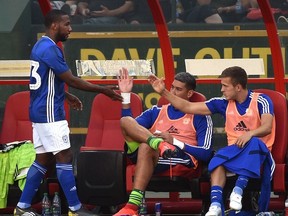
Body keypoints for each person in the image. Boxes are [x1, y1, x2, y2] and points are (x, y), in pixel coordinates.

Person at [14, 9, 122, 216]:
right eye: (67, 24)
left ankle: (22, 207)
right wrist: (104, 90)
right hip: (50, 114)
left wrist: (65, 95)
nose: (70, 28)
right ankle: (75, 208)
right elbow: (71, 79)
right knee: (65, 155)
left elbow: (48, 81)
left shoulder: (40, 45)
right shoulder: (51, 49)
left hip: (39, 111)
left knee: (43, 159)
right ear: (54, 25)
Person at [149, 66, 275, 215]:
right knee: (216, 159)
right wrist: (163, 92)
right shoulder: (222, 103)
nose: (222, 90)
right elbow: (188, 106)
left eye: (225, 86)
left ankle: (238, 190)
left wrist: (250, 134)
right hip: (234, 152)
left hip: (259, 152)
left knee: (254, 141)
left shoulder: (262, 100)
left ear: (238, 87)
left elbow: (267, 127)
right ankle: (215, 204)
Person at [113, 68, 213, 216]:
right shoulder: (156, 111)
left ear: (189, 93)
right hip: (154, 151)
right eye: (172, 87)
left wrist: (175, 141)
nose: (172, 92)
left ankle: (131, 207)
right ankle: (158, 144)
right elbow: (129, 128)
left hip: (176, 155)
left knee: (146, 146)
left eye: (178, 89)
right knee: (125, 121)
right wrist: (126, 95)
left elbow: (206, 153)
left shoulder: (200, 116)